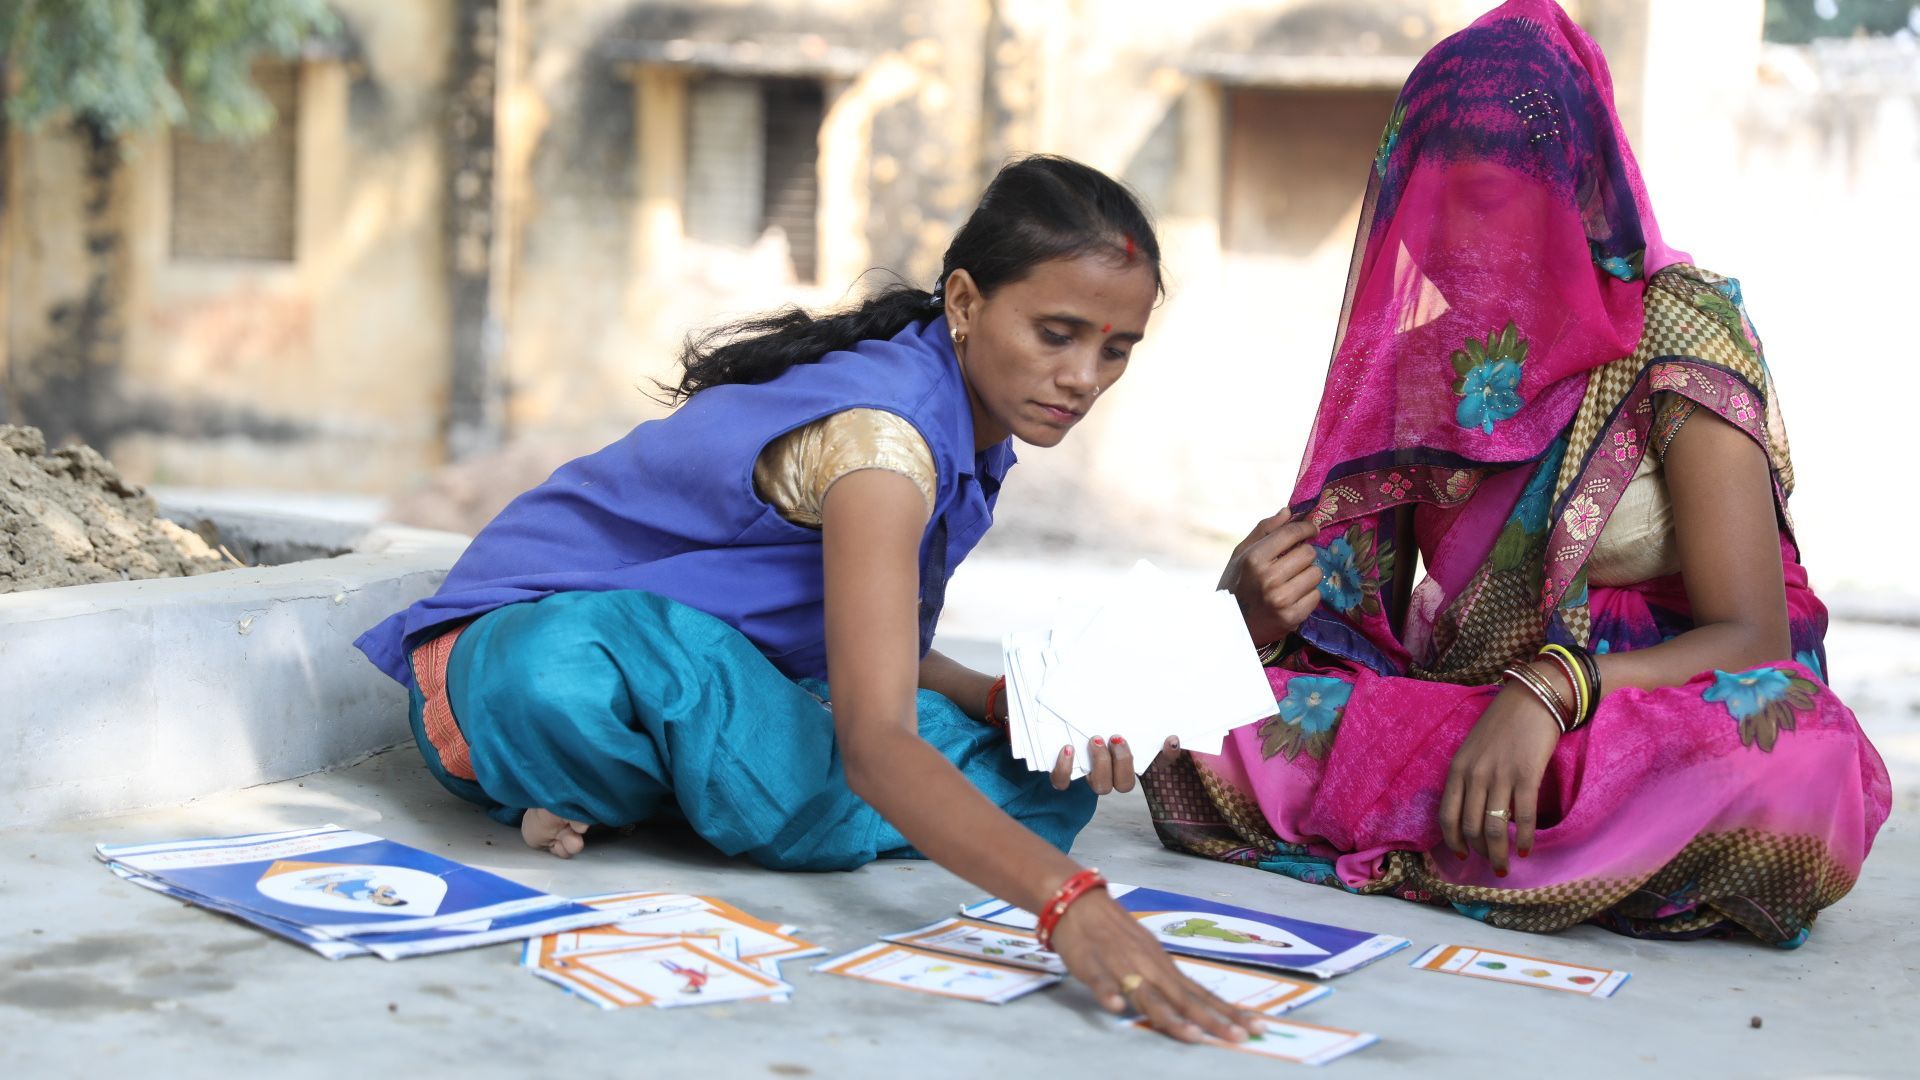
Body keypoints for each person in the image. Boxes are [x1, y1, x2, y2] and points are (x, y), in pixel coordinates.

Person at [355, 155, 1262, 1040]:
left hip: (728, 682)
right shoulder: (884, 445)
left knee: (1035, 778)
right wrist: (1069, 906)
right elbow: (873, 744)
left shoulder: (967, 429)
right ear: (964, 303)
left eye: (1117, 349)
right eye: (1056, 333)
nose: (1084, 378)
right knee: (561, 680)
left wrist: (1010, 705)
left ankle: (629, 795)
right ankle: (639, 780)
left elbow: (872, 653)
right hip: (526, 657)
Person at [1144, 0, 1890, 948]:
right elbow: (1340, 634)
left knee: (1803, 761)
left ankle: (1474, 826)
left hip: (1640, 714)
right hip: (1467, 712)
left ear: (1573, 191)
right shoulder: (1425, 363)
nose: (1462, 247)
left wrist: (1550, 692)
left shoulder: (1676, 331)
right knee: (1202, 727)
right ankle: (1543, 843)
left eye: (1489, 203)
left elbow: (1752, 637)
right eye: (1434, 205)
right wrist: (1247, 609)